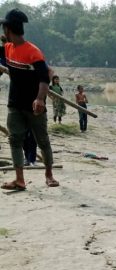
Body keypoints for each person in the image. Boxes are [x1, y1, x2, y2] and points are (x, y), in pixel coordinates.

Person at [0, 8, 58, 190]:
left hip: (34, 106)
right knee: (15, 139)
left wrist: (40, 99)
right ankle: (19, 180)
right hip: (14, 104)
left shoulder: (33, 52)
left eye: (4, 29)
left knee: (42, 141)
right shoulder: (7, 49)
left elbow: (44, 77)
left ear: (8, 30)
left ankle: (49, 175)